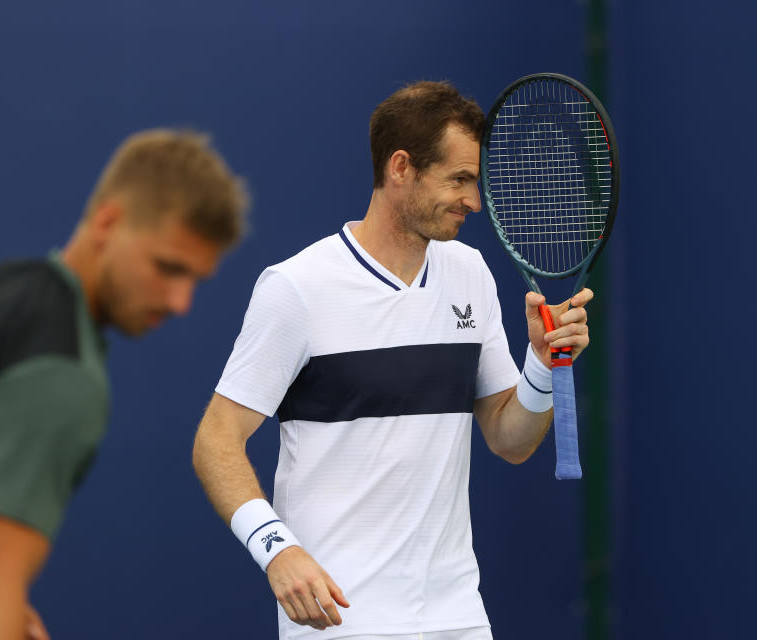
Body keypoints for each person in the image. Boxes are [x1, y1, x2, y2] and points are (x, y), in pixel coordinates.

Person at [192, 82, 592, 640]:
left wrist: (543, 367)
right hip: (341, 619)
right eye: (459, 179)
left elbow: (511, 439)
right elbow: (216, 437)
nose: (475, 202)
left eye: (476, 182)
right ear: (401, 167)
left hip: (458, 616)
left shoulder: (469, 272)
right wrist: (276, 549)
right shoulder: (296, 287)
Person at [0, 129, 248, 640]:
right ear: (108, 222)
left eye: (194, 280)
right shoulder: (64, 373)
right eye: (167, 267)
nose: (181, 302)